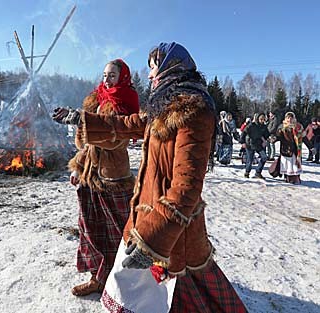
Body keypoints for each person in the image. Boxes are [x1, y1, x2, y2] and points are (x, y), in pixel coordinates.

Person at [53, 42, 246, 313]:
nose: (152, 75)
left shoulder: (195, 112)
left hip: (172, 229)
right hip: (145, 214)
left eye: (154, 68)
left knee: (183, 296)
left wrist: (152, 244)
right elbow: (125, 124)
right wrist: (81, 119)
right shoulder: (162, 106)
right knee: (140, 294)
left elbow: (187, 187)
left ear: (172, 66)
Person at [58, 59, 139, 297]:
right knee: (91, 230)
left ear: (122, 77)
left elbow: (115, 141)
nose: (107, 79)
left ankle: (121, 279)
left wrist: (83, 121)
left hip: (113, 178)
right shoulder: (95, 100)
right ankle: (97, 276)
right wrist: (78, 167)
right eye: (105, 74)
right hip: (90, 177)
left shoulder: (125, 103)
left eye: (112, 75)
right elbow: (84, 142)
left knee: (118, 234)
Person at [277, 112, 304, 184]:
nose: (289, 119)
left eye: (291, 118)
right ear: (285, 118)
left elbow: (303, 137)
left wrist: (310, 147)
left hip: (296, 149)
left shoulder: (298, 126)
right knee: (287, 165)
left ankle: (296, 178)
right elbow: (278, 136)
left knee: (295, 165)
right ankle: (287, 178)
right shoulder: (282, 126)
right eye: (288, 118)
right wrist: (274, 137)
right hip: (286, 149)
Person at [240, 113, 269, 178]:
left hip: (259, 145)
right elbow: (243, 133)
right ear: (257, 118)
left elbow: (267, 135)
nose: (262, 120)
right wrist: (242, 142)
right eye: (261, 119)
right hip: (250, 144)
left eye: (263, 119)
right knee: (250, 160)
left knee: (264, 157)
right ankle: (247, 172)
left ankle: (258, 172)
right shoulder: (251, 125)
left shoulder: (264, 127)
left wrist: (266, 140)